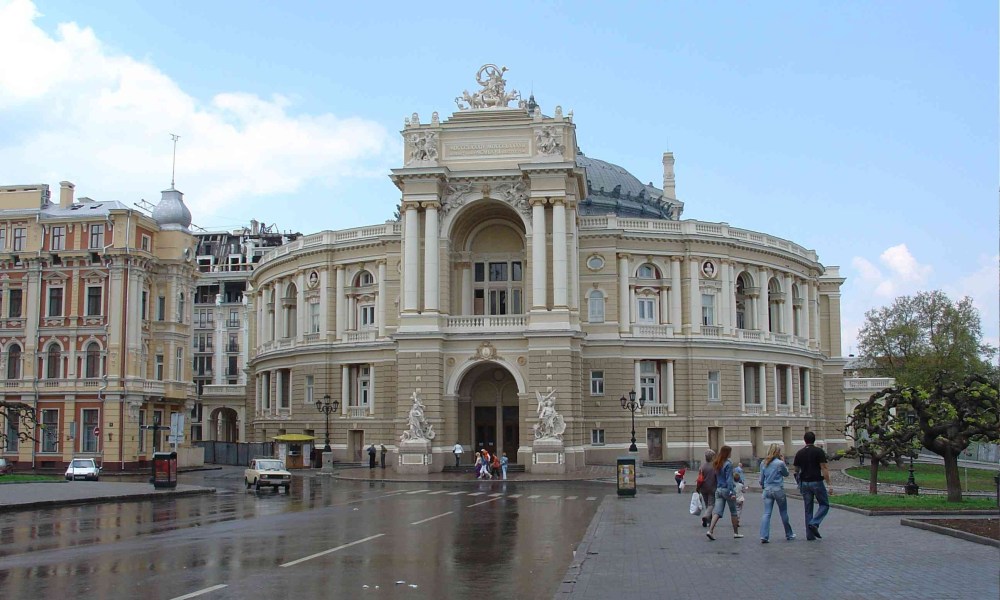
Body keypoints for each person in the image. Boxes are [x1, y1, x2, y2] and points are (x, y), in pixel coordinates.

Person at [793, 431, 833, 541]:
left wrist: (799, 482)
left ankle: (809, 535)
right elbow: (824, 467)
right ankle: (815, 523)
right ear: (814, 440)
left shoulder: (799, 453)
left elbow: (796, 470)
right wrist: (829, 484)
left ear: (804, 440)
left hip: (804, 483)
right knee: (824, 504)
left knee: (808, 509)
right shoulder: (818, 451)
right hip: (816, 481)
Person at [759, 443, 795, 543]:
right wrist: (783, 461)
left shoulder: (763, 463)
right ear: (778, 452)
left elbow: (761, 480)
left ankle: (764, 535)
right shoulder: (779, 463)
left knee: (766, 513)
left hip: (767, 490)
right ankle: (789, 534)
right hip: (778, 489)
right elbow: (786, 474)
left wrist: (764, 486)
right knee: (783, 512)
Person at [707, 445, 742, 540]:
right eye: (730, 452)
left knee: (717, 512)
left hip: (719, 490)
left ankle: (710, 530)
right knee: (733, 511)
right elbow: (729, 480)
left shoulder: (717, 463)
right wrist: (731, 492)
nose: (731, 453)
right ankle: (736, 533)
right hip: (727, 490)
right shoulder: (728, 464)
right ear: (727, 453)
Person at [695, 450, 717, 527]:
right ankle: (706, 516)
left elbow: (699, 478)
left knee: (707, 504)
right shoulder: (715, 466)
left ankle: (709, 521)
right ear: (712, 457)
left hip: (703, 488)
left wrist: (697, 488)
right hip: (712, 488)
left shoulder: (702, 466)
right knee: (711, 504)